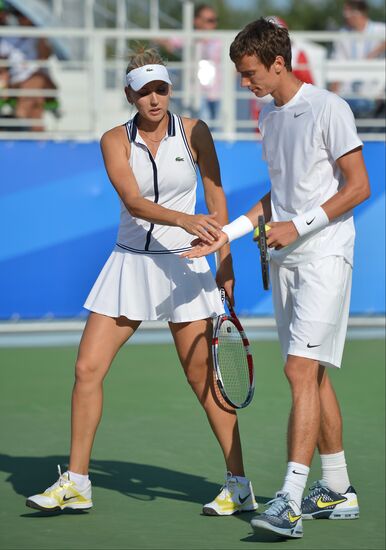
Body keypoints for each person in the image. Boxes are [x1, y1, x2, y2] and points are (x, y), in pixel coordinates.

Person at [25, 47, 257, 517]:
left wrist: (225, 262)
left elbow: (216, 198)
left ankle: (239, 485)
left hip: (186, 265)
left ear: (169, 89)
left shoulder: (195, 132)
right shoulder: (114, 139)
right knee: (87, 368)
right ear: (130, 93)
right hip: (130, 264)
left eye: (162, 89)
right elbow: (132, 201)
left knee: (202, 379)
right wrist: (184, 218)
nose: (155, 99)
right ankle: (77, 482)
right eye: (145, 91)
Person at [182, 18, 370, 539]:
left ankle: (288, 498)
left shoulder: (329, 108)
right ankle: (336, 487)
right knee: (313, 375)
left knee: (296, 370)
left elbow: (358, 187)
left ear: (279, 63)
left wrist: (300, 225)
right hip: (287, 262)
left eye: (250, 74)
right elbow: (278, 195)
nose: (246, 84)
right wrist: (231, 234)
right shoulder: (270, 116)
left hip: (326, 256)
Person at [330, 0, 386, 118]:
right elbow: (337, 64)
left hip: (374, 94)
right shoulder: (343, 33)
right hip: (348, 94)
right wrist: (332, 96)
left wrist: (374, 53)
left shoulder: (379, 29)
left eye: (347, 13)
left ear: (359, 13)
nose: (345, 17)